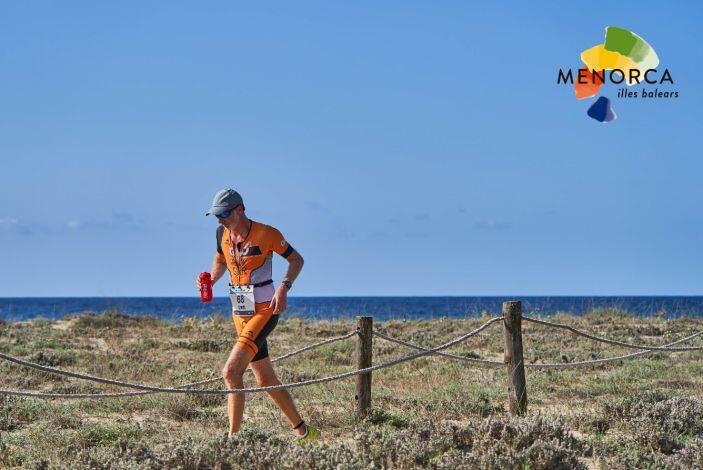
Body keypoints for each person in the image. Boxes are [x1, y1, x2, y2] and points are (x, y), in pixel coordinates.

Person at [197, 188, 319, 443]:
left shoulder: (267, 233)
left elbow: (297, 260)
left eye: (225, 214)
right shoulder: (221, 233)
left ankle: (233, 441)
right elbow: (220, 261)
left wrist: (284, 288)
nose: (220, 219)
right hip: (239, 313)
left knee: (231, 372)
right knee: (265, 379)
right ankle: (305, 433)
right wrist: (210, 279)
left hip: (265, 310)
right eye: (217, 215)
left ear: (240, 210)